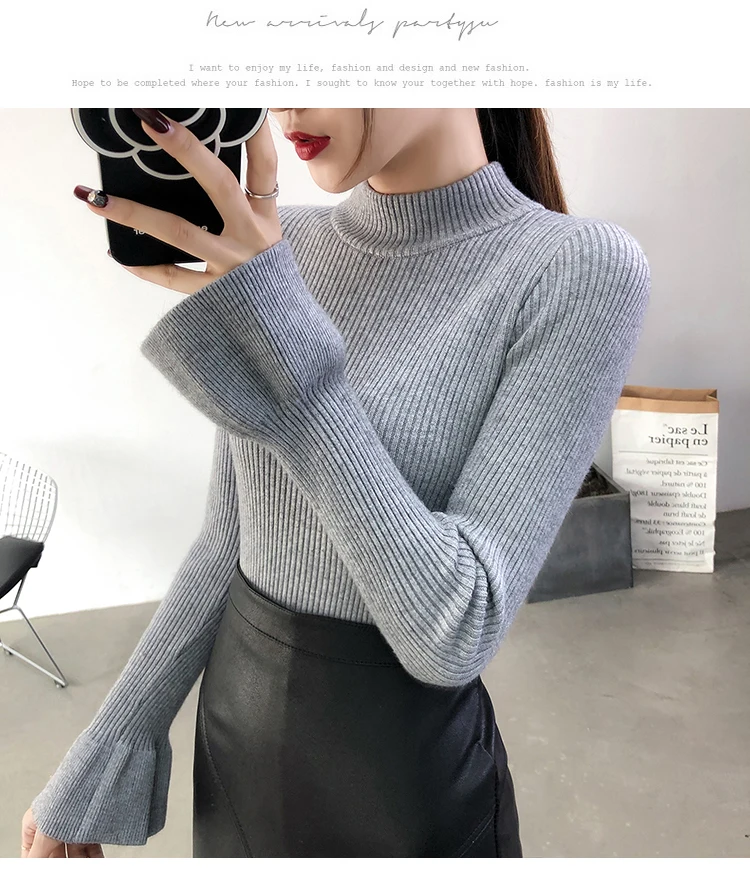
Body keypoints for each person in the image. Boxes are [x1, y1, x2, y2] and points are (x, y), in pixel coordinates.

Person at [22, 107, 650, 857]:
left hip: (400, 785)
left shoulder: (577, 268)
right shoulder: (284, 244)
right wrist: (103, 754)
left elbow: (458, 630)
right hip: (236, 748)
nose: (290, 104)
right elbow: (229, 539)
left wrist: (291, 353)